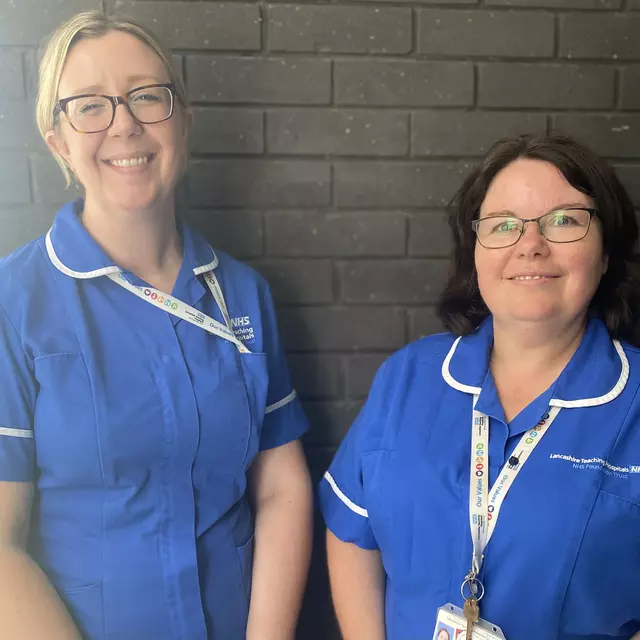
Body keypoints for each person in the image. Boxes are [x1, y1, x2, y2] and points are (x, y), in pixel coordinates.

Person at [0, 11, 312, 640]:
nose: (125, 123)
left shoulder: (244, 294)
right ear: (57, 141)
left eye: (148, 96)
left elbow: (281, 485)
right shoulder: (13, 300)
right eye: (90, 106)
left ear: (184, 122)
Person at [319, 134, 640, 639]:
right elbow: (352, 530)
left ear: (605, 254)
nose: (530, 244)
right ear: (476, 253)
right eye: (503, 225)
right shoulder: (408, 375)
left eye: (564, 220)